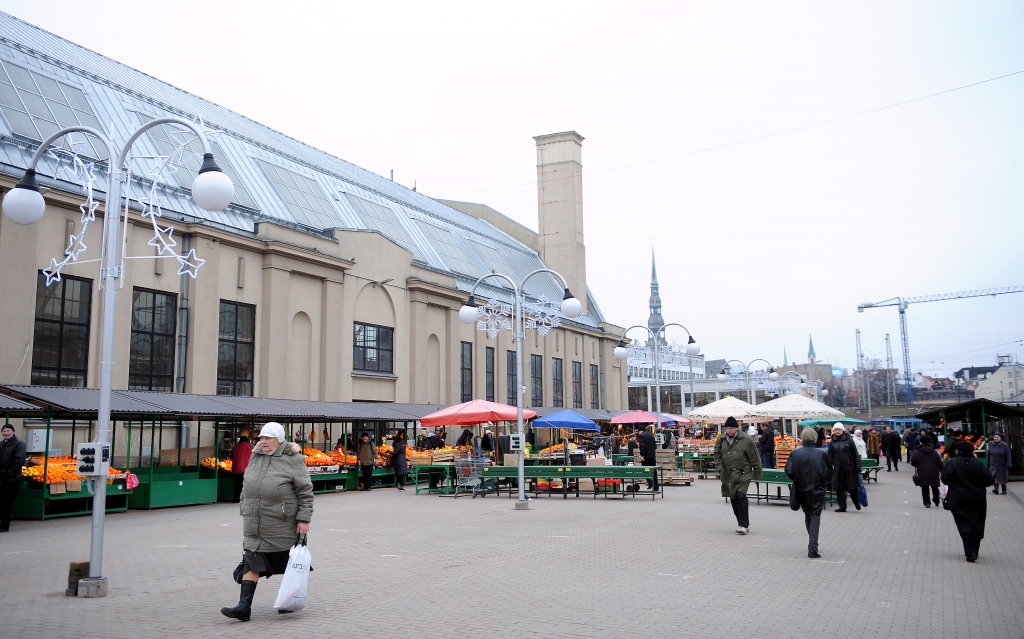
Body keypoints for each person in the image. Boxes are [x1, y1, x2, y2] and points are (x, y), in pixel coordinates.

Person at [221, 422, 313, 622]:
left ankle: (289, 601)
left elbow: (305, 492)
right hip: (255, 520)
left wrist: (304, 519)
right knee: (251, 558)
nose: (262, 441)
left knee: (290, 563)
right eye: (261, 437)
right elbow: (248, 483)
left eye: (267, 438)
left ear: (279, 439)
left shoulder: (293, 459)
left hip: (283, 522)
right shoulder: (256, 456)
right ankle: (244, 607)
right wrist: (244, 505)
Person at [941, 440, 994, 562]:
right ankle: (975, 548)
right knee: (977, 522)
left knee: (962, 522)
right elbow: (989, 479)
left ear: (958, 451)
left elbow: (945, 478)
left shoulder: (952, 463)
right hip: (977, 497)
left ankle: (971, 550)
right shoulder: (978, 463)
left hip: (958, 497)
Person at [786, 428, 833, 558]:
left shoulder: (795, 453)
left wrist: (798, 477)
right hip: (818, 488)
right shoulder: (822, 453)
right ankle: (812, 546)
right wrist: (826, 483)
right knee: (815, 515)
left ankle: (813, 543)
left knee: (808, 514)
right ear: (814, 438)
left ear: (802, 438)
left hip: (802, 488)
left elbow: (789, 471)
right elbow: (829, 472)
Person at [713, 416, 762, 534]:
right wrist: (720, 468)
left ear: (737, 428)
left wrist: (758, 473)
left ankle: (744, 524)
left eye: (732, 428)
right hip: (728, 474)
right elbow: (717, 453)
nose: (729, 430)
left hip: (743, 473)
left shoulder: (746, 439)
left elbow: (754, 457)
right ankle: (740, 522)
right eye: (728, 428)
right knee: (733, 498)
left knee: (741, 496)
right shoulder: (722, 439)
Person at [827, 424, 861, 512]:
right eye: (835, 430)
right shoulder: (832, 442)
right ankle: (842, 506)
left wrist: (858, 466)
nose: (837, 431)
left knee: (852, 488)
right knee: (839, 488)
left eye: (839, 429)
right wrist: (828, 466)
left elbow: (855, 454)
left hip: (849, 468)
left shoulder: (849, 440)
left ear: (842, 430)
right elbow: (830, 455)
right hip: (838, 469)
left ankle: (856, 502)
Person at [1, 423, 27, 532]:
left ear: (13, 432)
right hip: (2, 477)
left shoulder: (19, 444)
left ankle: (4, 525)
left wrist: (8, 474)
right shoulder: (2, 444)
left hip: (12, 478)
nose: (6, 433)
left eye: (8, 431)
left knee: (7, 502)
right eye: (4, 431)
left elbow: (19, 461)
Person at [911, 435, 943, 508]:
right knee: (934, 486)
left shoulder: (917, 451)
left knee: (924, 487)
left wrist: (917, 464)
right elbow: (939, 462)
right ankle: (936, 500)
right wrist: (942, 470)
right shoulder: (934, 451)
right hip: (934, 471)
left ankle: (927, 503)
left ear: (921, 441)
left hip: (922, 471)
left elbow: (913, 461)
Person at [230, 435, 253, 503]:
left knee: (238, 483)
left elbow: (231, 457)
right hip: (247, 467)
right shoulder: (251, 446)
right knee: (247, 483)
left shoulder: (235, 447)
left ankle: (236, 498)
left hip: (237, 468)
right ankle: (245, 498)